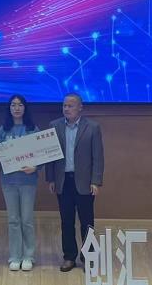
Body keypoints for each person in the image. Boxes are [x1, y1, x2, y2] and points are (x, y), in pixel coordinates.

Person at [46, 92, 104, 272]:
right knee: (66, 221)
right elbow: (49, 155)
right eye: (64, 105)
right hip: (63, 181)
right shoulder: (54, 126)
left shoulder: (92, 127)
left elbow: (98, 157)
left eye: (70, 105)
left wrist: (96, 181)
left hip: (85, 182)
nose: (66, 108)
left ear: (80, 107)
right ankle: (69, 256)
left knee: (87, 222)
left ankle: (89, 257)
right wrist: (51, 178)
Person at [0, 94, 40, 272]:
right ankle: (15, 256)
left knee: (26, 219)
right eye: (13, 105)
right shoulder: (2, 131)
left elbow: (42, 155)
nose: (17, 108)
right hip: (9, 181)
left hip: (28, 181)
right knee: (13, 219)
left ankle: (28, 256)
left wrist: (35, 167)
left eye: (20, 105)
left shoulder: (33, 129)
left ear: (25, 108)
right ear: (9, 108)